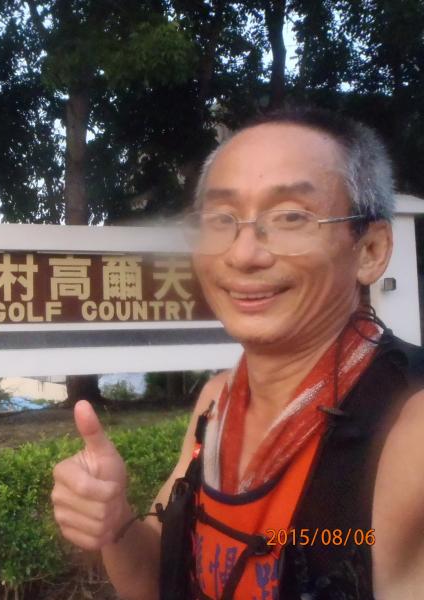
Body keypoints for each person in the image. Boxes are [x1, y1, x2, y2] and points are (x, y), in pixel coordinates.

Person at [50, 107, 424, 599]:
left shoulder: (408, 430)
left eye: (290, 217)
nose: (243, 254)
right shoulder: (216, 402)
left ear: (370, 250)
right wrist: (115, 523)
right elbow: (154, 582)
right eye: (221, 219)